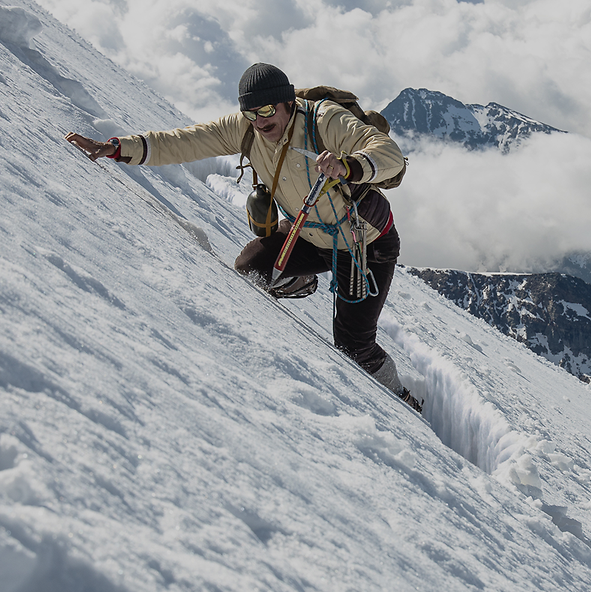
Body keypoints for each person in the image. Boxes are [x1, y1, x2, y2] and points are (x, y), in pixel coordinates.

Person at [65, 63, 420, 411]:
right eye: (250, 113)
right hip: (307, 233)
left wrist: (348, 166)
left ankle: (401, 397)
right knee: (250, 268)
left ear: (288, 103)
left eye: (266, 111)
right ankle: (302, 279)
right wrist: (117, 148)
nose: (259, 121)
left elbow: (389, 156)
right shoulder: (247, 128)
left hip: (364, 246)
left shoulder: (324, 120)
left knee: (353, 345)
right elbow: (184, 142)